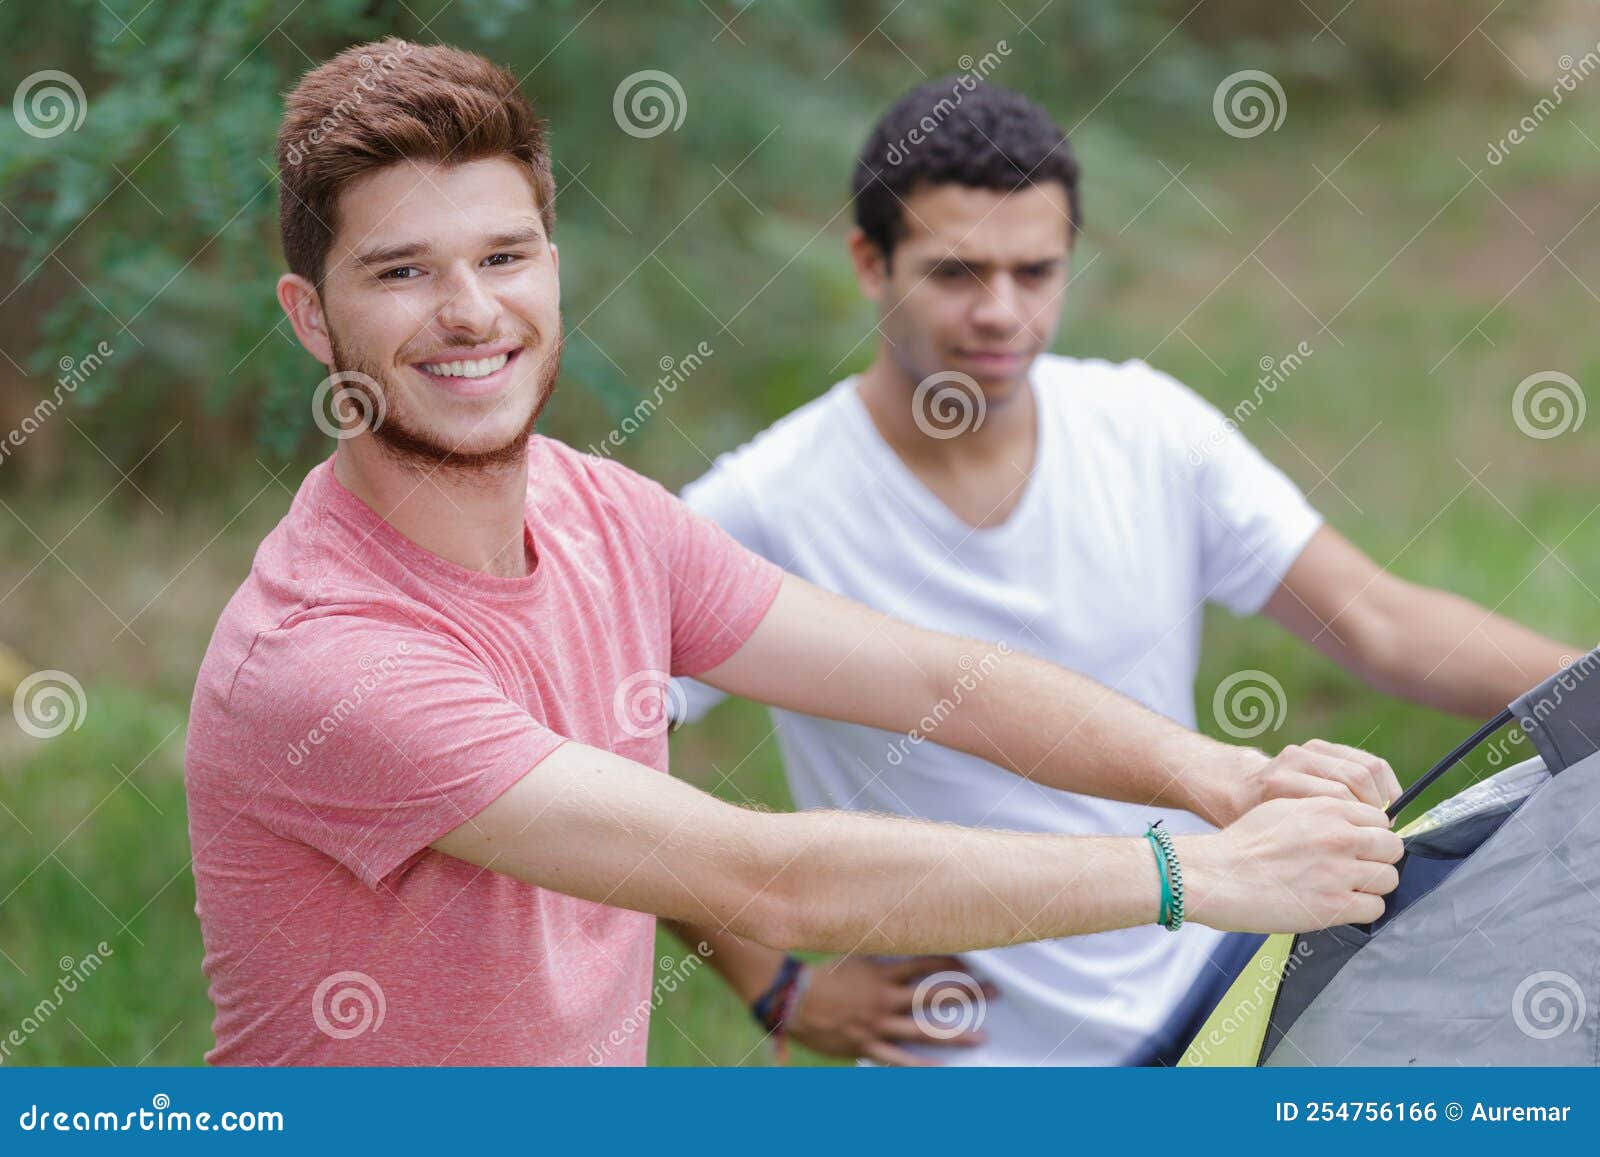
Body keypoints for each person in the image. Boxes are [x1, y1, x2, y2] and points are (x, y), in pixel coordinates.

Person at [183, 40, 1405, 1067]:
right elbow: (765, 879)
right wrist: (1196, 874)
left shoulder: (603, 512)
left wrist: (1220, 776)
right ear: (310, 317)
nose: (469, 311)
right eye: (402, 272)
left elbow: (935, 683)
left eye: (502, 257)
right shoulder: (327, 660)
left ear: (552, 272)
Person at [667, 78, 1581, 1066]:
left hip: (1222, 965)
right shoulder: (761, 501)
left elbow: (1380, 621)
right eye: (955, 273)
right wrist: (776, 982)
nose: (1001, 312)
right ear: (867, 262)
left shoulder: (1146, 427)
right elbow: (610, 735)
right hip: (979, 1052)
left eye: (1035, 270)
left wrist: (1591, 690)